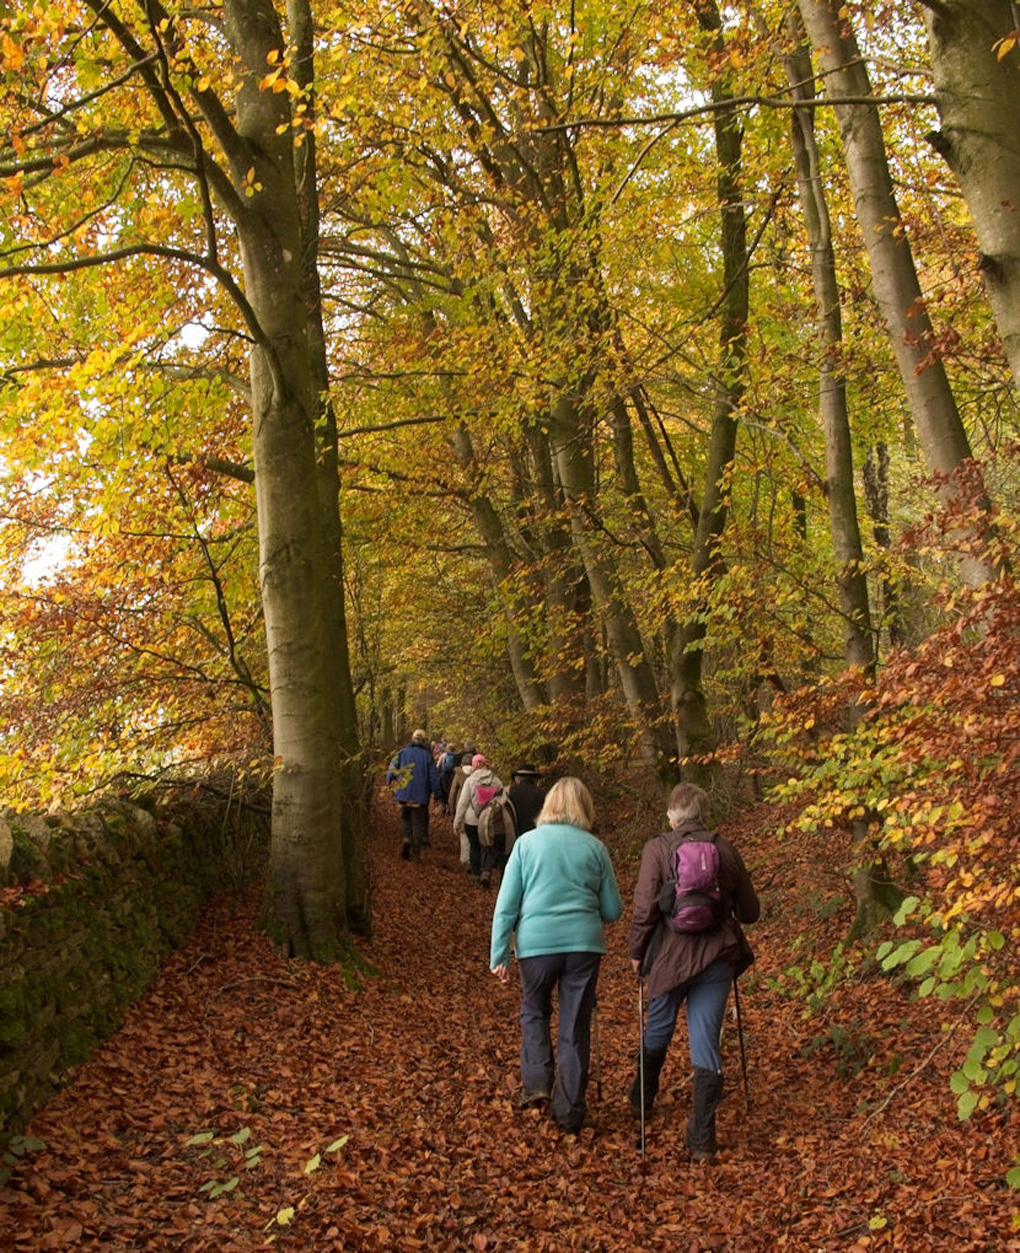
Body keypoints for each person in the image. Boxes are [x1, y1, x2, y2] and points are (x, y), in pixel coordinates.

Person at [627, 782, 760, 1162]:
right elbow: (751, 911)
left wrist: (637, 952)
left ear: (672, 814)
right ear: (703, 814)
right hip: (716, 958)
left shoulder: (657, 848)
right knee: (705, 1039)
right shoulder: (724, 848)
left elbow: (644, 908)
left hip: (668, 958)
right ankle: (702, 1137)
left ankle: (641, 1100)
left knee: (658, 1029)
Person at [490, 777, 623, 1133]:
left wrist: (499, 954)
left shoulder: (525, 845)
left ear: (548, 805)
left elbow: (506, 905)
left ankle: (536, 1083)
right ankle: (569, 1111)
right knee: (575, 1024)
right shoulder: (595, 848)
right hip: (583, 947)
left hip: (535, 946)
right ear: (586, 808)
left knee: (534, 1010)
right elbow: (612, 910)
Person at [386, 729, 442, 860]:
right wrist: (438, 794)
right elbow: (433, 777)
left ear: (413, 739)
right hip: (420, 795)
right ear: (424, 741)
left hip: (403, 793)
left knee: (405, 818)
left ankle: (406, 839)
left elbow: (392, 769)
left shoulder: (402, 752)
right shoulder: (427, 756)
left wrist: (390, 782)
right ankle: (416, 852)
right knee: (418, 823)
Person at [453, 753, 504, 887]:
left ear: (474, 766)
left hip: (472, 820)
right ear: (486, 764)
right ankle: (486, 871)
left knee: (474, 847)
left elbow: (463, 803)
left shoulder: (470, 781)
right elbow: (502, 800)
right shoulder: (496, 780)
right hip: (489, 820)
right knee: (489, 848)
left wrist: (457, 822)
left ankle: (475, 876)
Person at [448, 751, 476, 870]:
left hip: (462, 805)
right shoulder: (477, 774)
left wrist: (452, 808)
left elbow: (453, 792)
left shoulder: (458, 774)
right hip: (476, 807)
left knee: (464, 834)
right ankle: (475, 860)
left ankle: (465, 859)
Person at [508, 764, 545, 836]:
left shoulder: (507, 793)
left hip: (511, 838)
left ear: (516, 779)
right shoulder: (542, 794)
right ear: (535, 779)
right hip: (535, 836)